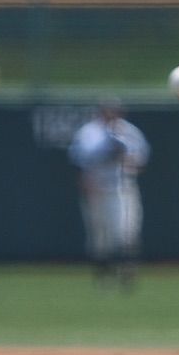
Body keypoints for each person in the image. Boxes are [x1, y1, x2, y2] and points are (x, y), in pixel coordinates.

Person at [67, 98, 149, 289]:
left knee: (126, 232)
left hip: (122, 188)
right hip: (97, 188)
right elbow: (80, 162)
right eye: (108, 110)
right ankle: (103, 276)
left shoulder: (129, 132)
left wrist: (127, 158)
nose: (112, 114)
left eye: (116, 110)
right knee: (100, 237)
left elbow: (141, 160)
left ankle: (128, 272)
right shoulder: (89, 133)